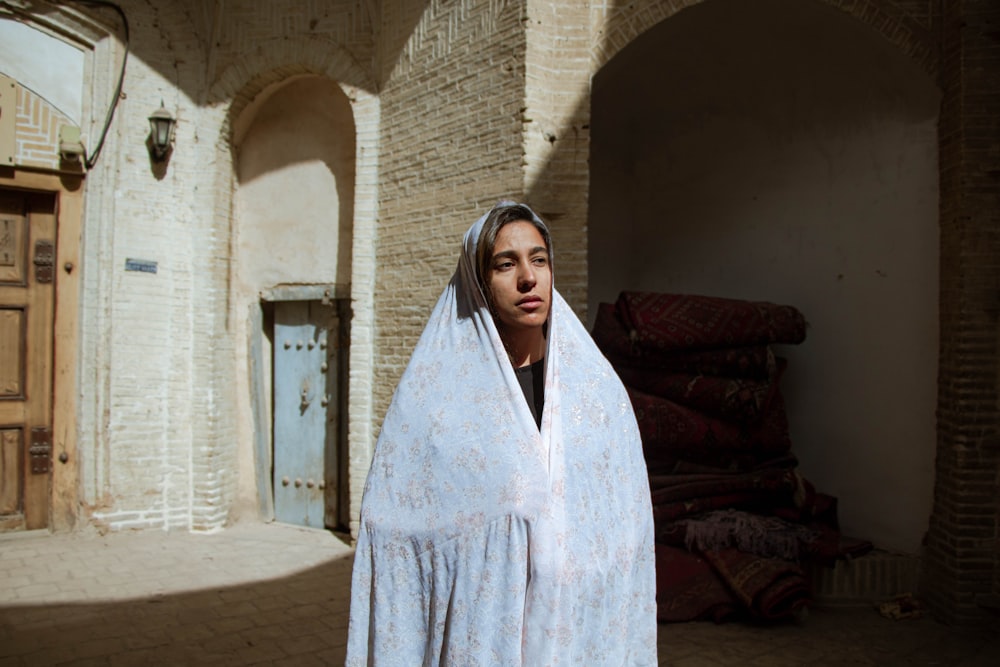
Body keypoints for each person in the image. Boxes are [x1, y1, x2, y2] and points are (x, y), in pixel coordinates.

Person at [346, 202, 657, 665]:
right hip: (485, 639)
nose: (528, 278)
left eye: (539, 259)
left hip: (582, 636)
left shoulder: (596, 394)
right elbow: (393, 535)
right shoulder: (437, 404)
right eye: (505, 264)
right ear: (479, 282)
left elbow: (626, 523)